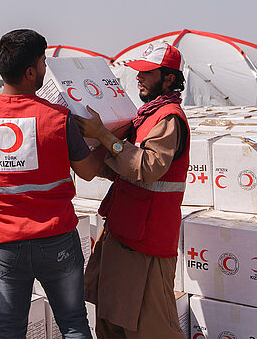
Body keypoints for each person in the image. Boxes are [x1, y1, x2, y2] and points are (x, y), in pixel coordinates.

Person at [0, 29, 97, 339]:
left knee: (10, 328)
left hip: (3, 244)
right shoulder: (59, 118)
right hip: (56, 239)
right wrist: (109, 141)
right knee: (72, 322)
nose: (46, 68)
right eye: (44, 62)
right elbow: (87, 172)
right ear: (30, 72)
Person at [74, 40, 189, 339]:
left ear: (168, 78)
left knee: (151, 328)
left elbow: (147, 168)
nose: (138, 77)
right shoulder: (145, 115)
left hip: (148, 241)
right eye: (138, 71)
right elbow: (121, 168)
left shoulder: (169, 118)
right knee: (112, 318)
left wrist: (101, 134)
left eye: (147, 72)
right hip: (125, 230)